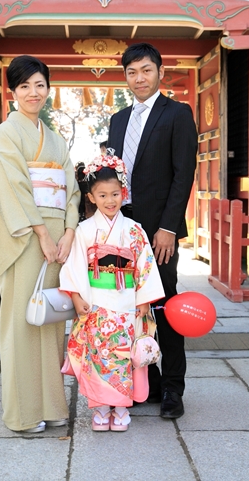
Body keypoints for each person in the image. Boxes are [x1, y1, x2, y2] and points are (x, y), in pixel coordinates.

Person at [0, 55, 80, 433]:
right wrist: (41, 232)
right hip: (24, 235)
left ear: (48, 89)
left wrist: (69, 232)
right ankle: (23, 413)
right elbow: (13, 189)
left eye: (39, 84)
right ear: (13, 92)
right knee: (22, 321)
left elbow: (71, 190)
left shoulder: (55, 139)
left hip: (58, 239)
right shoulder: (6, 136)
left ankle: (52, 404)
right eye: (24, 86)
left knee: (51, 321)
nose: (32, 92)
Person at [107, 42, 198, 419]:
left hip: (159, 232)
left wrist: (167, 229)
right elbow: (112, 176)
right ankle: (151, 380)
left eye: (146, 70)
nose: (139, 78)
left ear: (160, 71)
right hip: (122, 229)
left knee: (163, 305)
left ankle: (174, 387)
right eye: (131, 72)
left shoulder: (177, 113)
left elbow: (183, 175)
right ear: (125, 76)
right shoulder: (117, 120)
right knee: (127, 308)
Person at [59, 154, 164, 432]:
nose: (110, 200)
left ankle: (120, 409)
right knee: (98, 357)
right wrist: (77, 297)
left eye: (115, 194)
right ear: (91, 197)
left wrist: (143, 300)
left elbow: (145, 265)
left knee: (122, 356)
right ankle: (101, 409)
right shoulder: (83, 231)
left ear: (123, 193)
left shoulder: (134, 230)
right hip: (95, 304)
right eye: (102, 195)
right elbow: (75, 265)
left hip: (127, 303)